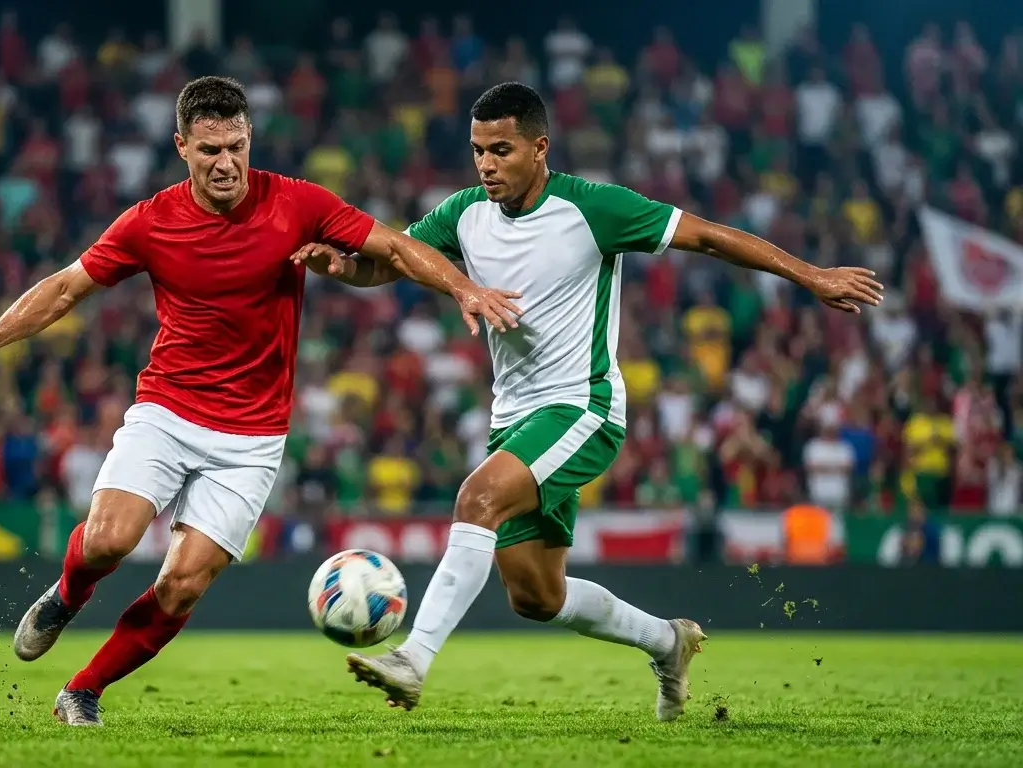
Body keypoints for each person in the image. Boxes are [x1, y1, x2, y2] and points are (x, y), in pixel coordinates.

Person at [0, 76, 522, 727]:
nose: (225, 163)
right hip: (167, 410)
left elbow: (394, 246)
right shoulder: (150, 221)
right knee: (106, 541)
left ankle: (83, 690)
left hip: (252, 440)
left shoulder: (296, 202)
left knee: (182, 585)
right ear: (181, 145)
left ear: (249, 139)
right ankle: (67, 596)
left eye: (236, 146)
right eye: (209, 150)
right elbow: (67, 288)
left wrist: (463, 289)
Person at [292, 82, 883, 719]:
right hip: (514, 419)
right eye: (477, 151)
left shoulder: (593, 208)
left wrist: (812, 275)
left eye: (502, 149)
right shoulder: (463, 213)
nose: (487, 165)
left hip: (583, 407)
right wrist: (345, 269)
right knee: (536, 596)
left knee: (476, 499)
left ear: (540, 147)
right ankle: (668, 640)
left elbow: (707, 237)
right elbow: (393, 264)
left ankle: (413, 661)